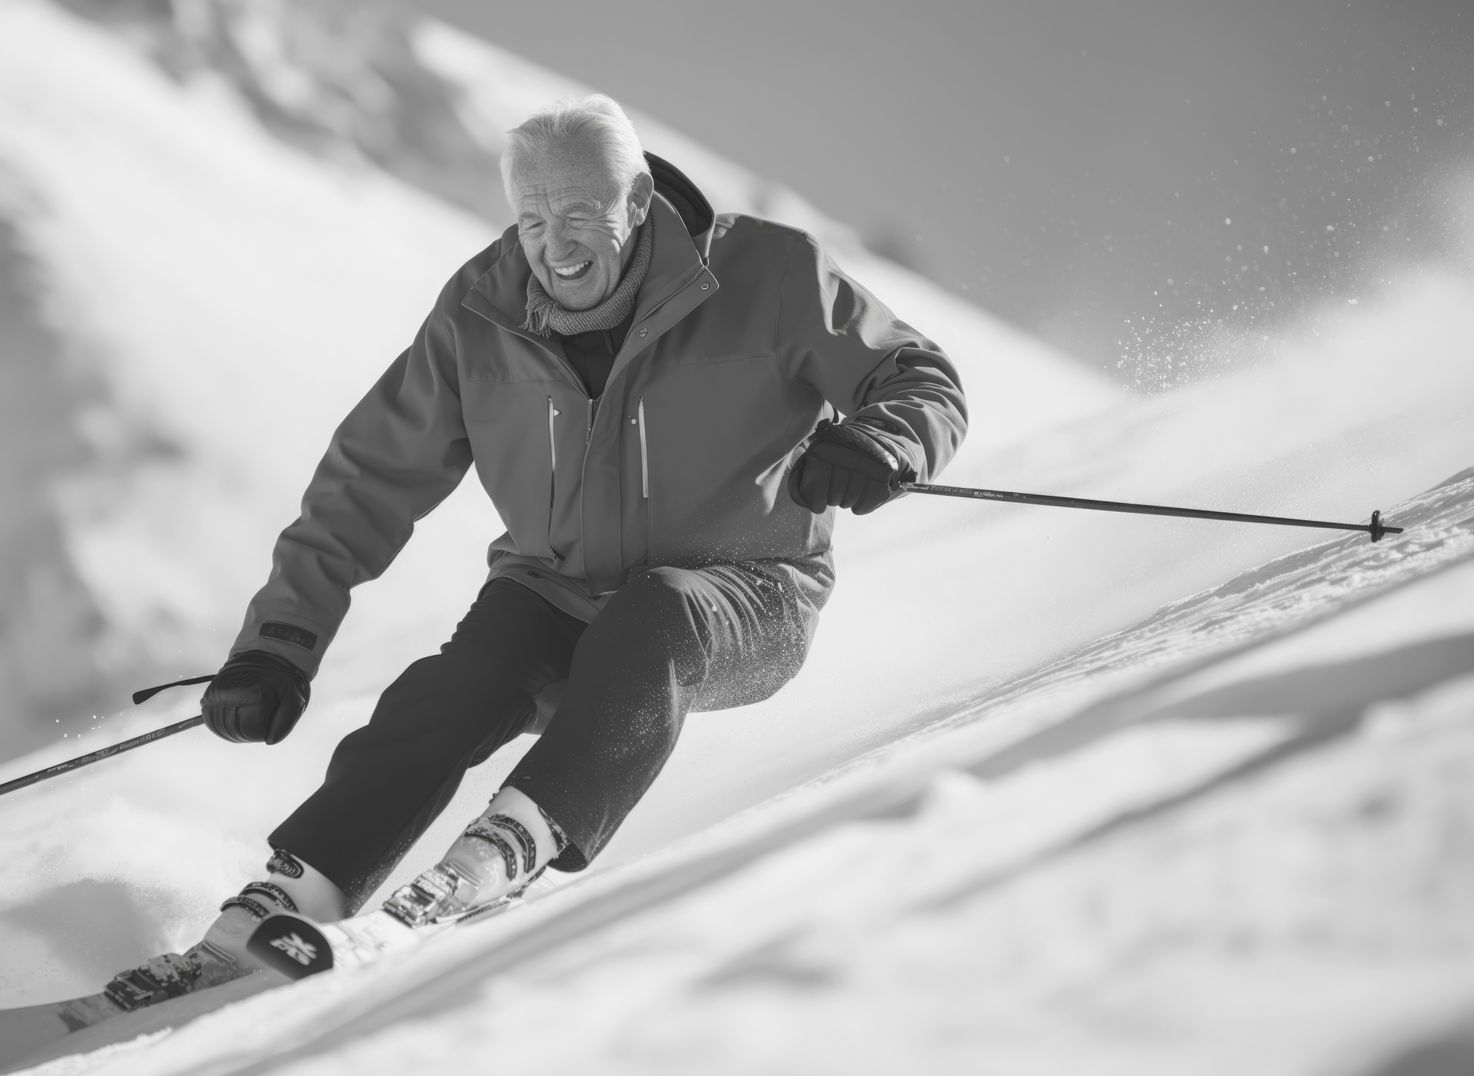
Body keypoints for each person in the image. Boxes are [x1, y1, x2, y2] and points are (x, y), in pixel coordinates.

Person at [193, 94, 965, 955]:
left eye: (578, 215)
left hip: (748, 597)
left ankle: (507, 844)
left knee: (656, 615)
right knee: (456, 684)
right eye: (530, 220)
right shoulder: (480, 314)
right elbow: (367, 479)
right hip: (555, 592)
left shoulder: (767, 274)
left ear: (636, 205)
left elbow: (917, 373)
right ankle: (299, 886)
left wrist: (885, 442)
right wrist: (277, 645)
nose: (553, 247)